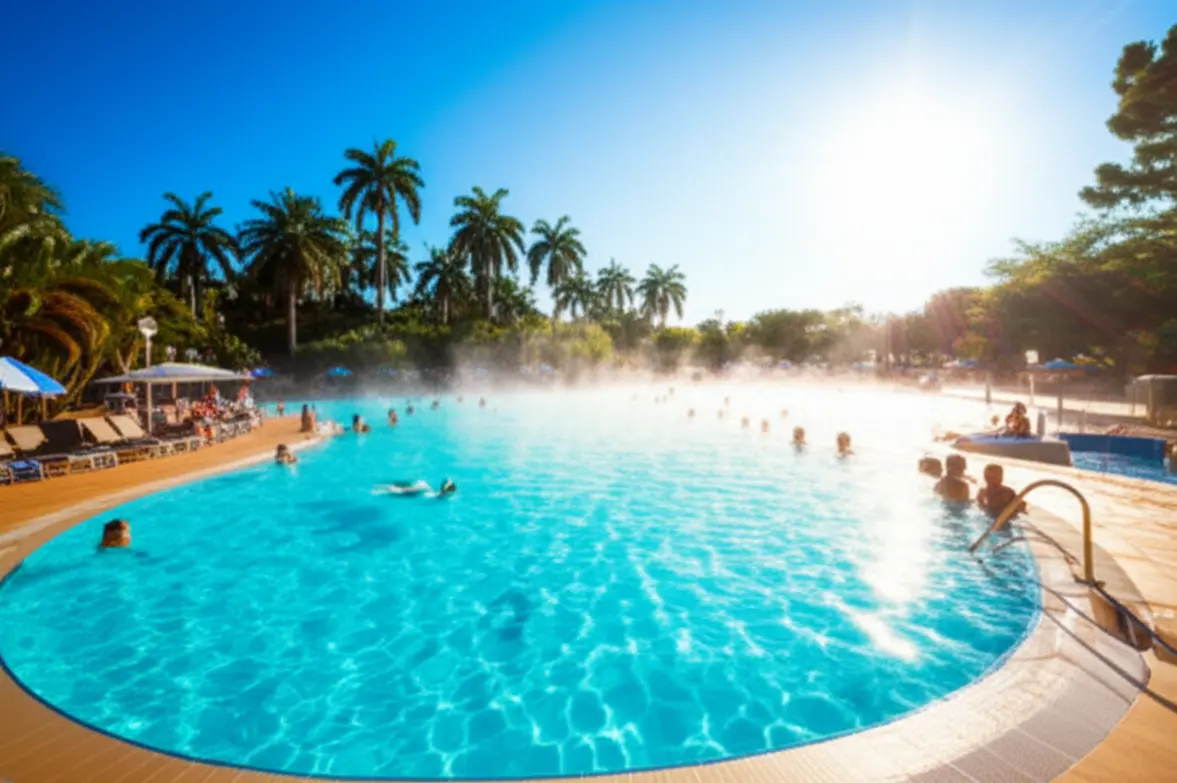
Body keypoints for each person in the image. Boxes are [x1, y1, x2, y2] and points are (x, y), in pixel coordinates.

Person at [380, 478, 457, 499]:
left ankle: (393, 488)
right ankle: (395, 488)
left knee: (423, 487)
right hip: (422, 491)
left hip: (424, 491)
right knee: (399, 490)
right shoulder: (441, 495)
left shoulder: (443, 494)